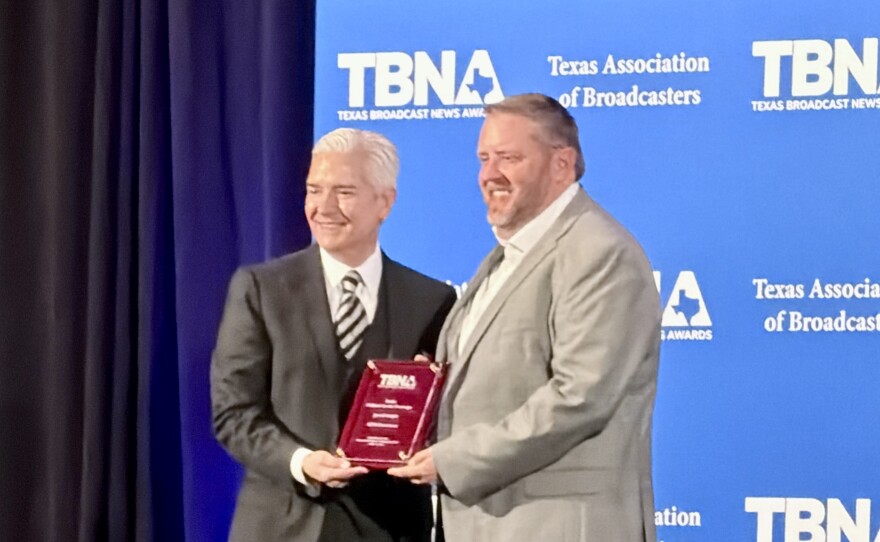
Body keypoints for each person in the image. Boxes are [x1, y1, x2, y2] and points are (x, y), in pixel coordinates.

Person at [389, 93, 661, 541]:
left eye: (509, 158)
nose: (489, 174)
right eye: (484, 158)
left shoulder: (598, 253)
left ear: (561, 164)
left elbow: (580, 397)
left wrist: (455, 460)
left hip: (559, 525)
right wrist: (428, 395)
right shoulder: (508, 254)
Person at [212, 127, 457, 542]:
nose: (323, 207)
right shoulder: (261, 290)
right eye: (313, 190)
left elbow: (449, 416)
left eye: (344, 192)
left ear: (385, 202)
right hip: (281, 527)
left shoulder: (432, 299)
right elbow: (233, 414)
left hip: (390, 527)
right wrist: (302, 461)